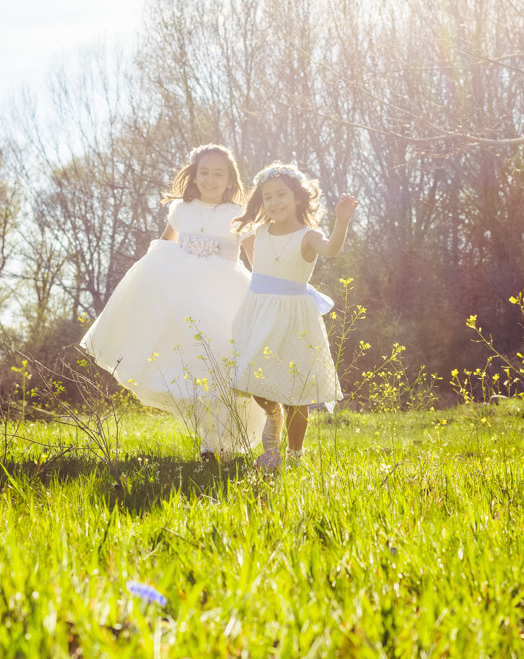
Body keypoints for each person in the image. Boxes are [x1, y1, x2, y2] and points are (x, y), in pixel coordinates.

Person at [80, 144, 264, 460]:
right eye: (204, 172)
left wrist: (266, 291)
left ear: (230, 180)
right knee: (191, 362)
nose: (210, 179)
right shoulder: (181, 209)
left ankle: (219, 443)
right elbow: (164, 246)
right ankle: (209, 439)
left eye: (218, 174)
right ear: (193, 176)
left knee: (222, 357)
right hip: (185, 294)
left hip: (222, 293)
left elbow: (254, 258)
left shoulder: (238, 215)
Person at [230, 162, 358, 470]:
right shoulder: (257, 233)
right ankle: (272, 433)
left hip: (295, 318)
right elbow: (258, 269)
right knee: (256, 378)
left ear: (298, 197)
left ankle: (295, 454)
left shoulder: (308, 236)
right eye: (268, 196)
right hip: (260, 313)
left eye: (281, 194)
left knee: (297, 392)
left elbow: (331, 249)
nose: (274, 202)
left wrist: (341, 220)